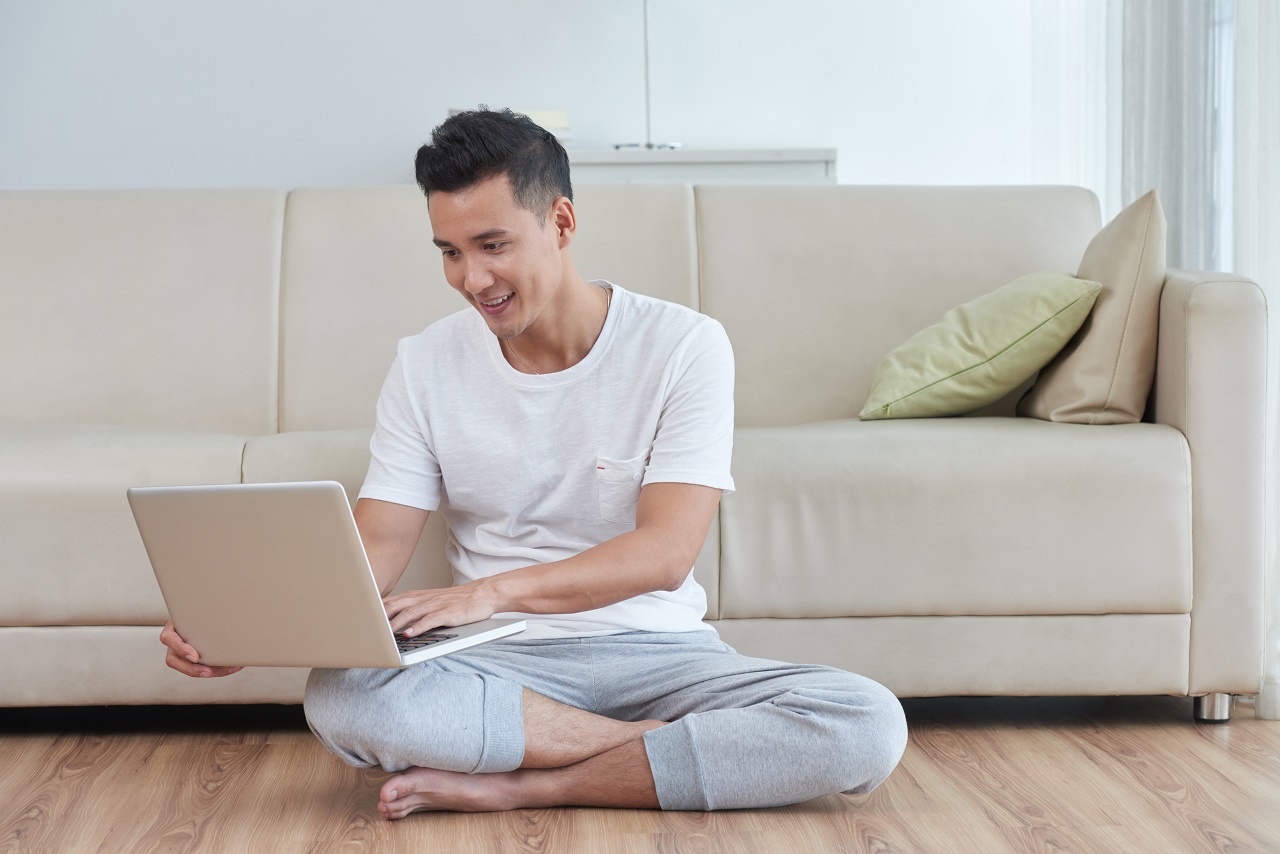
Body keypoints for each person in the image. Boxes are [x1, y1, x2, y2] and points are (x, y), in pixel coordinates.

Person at [160, 107, 907, 818]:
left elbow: (665, 553)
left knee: (866, 721)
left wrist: (490, 593)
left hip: (660, 655)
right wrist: (255, 627)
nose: (472, 280)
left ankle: (529, 787)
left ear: (561, 222)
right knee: (344, 695)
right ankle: (662, 754)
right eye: (450, 253)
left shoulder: (684, 346)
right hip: (497, 669)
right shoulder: (425, 364)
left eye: (492, 246)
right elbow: (380, 542)